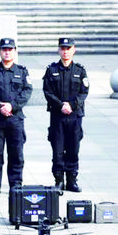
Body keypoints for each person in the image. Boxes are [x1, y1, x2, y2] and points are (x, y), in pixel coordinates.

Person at [0, 38, 33, 196]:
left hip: (15, 119)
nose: (7, 52)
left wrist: (12, 106)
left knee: (16, 153)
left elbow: (27, 91)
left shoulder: (22, 71)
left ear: (15, 51)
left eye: (10, 49)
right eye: (4, 49)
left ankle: (15, 184)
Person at [42, 37, 89, 193]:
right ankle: (59, 180)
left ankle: (72, 180)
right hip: (58, 116)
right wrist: (61, 105)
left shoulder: (80, 71)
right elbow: (47, 91)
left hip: (75, 116)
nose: (65, 51)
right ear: (58, 50)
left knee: (73, 148)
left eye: (68, 48)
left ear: (74, 50)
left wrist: (72, 105)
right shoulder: (51, 70)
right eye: (62, 48)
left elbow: (84, 92)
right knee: (58, 149)